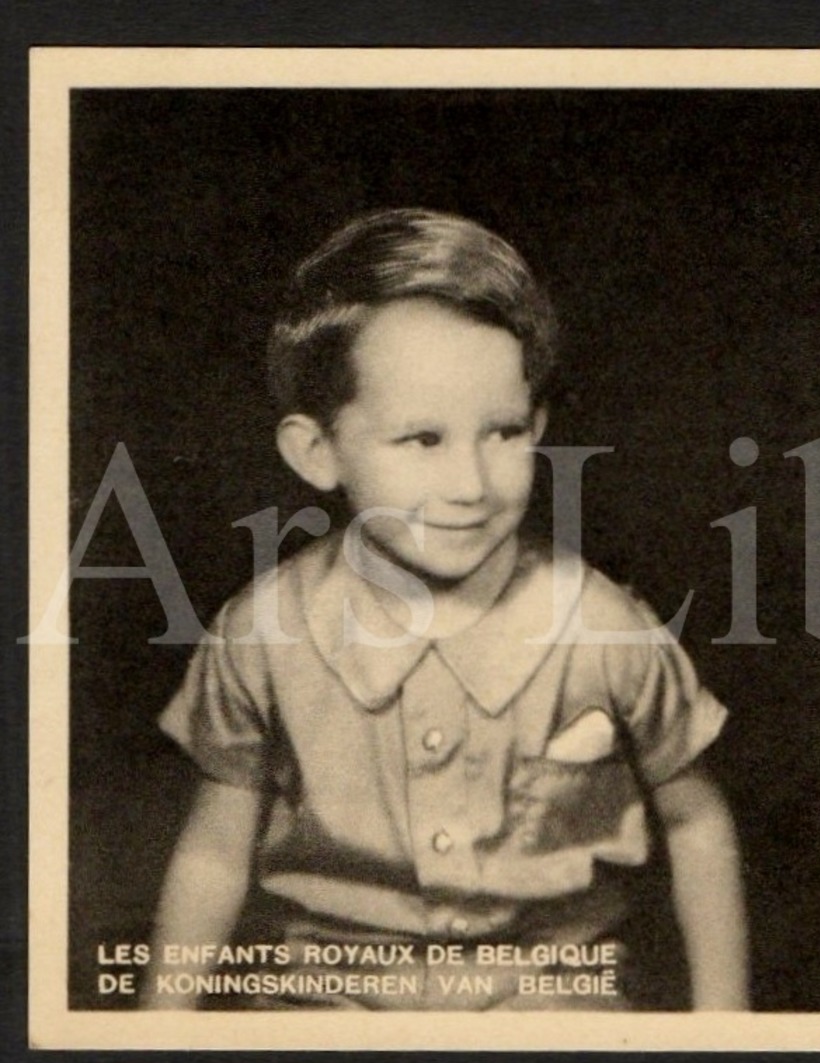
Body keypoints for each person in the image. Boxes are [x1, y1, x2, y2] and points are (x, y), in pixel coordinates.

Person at [141, 209, 747, 1011]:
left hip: (546, 995)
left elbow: (696, 819)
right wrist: (151, 1040)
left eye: (501, 432)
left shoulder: (604, 626)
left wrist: (721, 1029)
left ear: (537, 424)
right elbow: (216, 853)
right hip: (332, 997)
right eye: (422, 440)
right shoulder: (263, 631)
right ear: (316, 452)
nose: (470, 482)